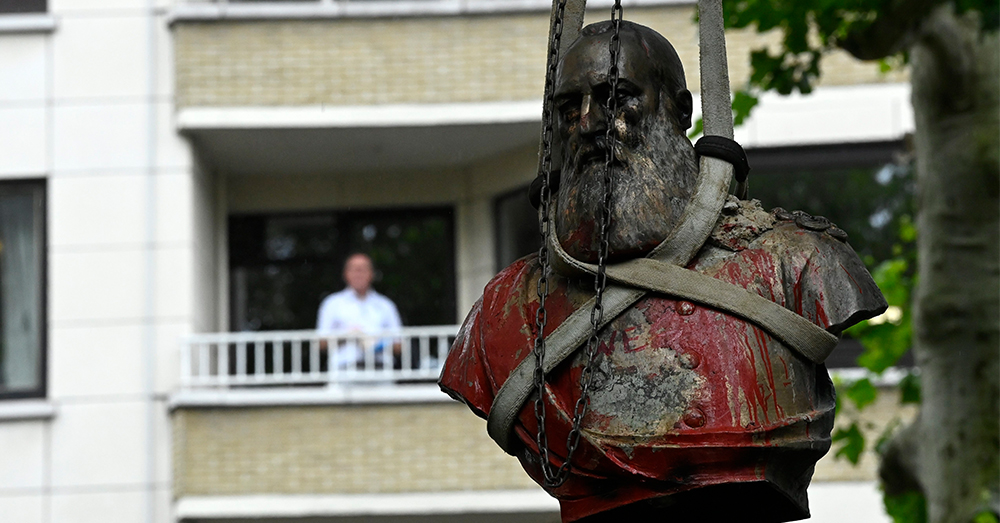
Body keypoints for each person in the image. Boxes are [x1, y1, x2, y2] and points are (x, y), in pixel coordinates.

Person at [439, 20, 887, 523]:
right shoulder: (505, 307)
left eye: (616, 98)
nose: (588, 123)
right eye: (570, 108)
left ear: (681, 110)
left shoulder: (800, 260)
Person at [316, 253, 402, 369]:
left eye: (363, 269)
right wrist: (347, 336)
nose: (359, 274)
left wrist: (377, 342)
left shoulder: (385, 305)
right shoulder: (332, 303)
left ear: (372, 274)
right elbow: (321, 343)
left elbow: (399, 345)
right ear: (346, 274)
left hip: (380, 371)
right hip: (344, 371)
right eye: (354, 269)